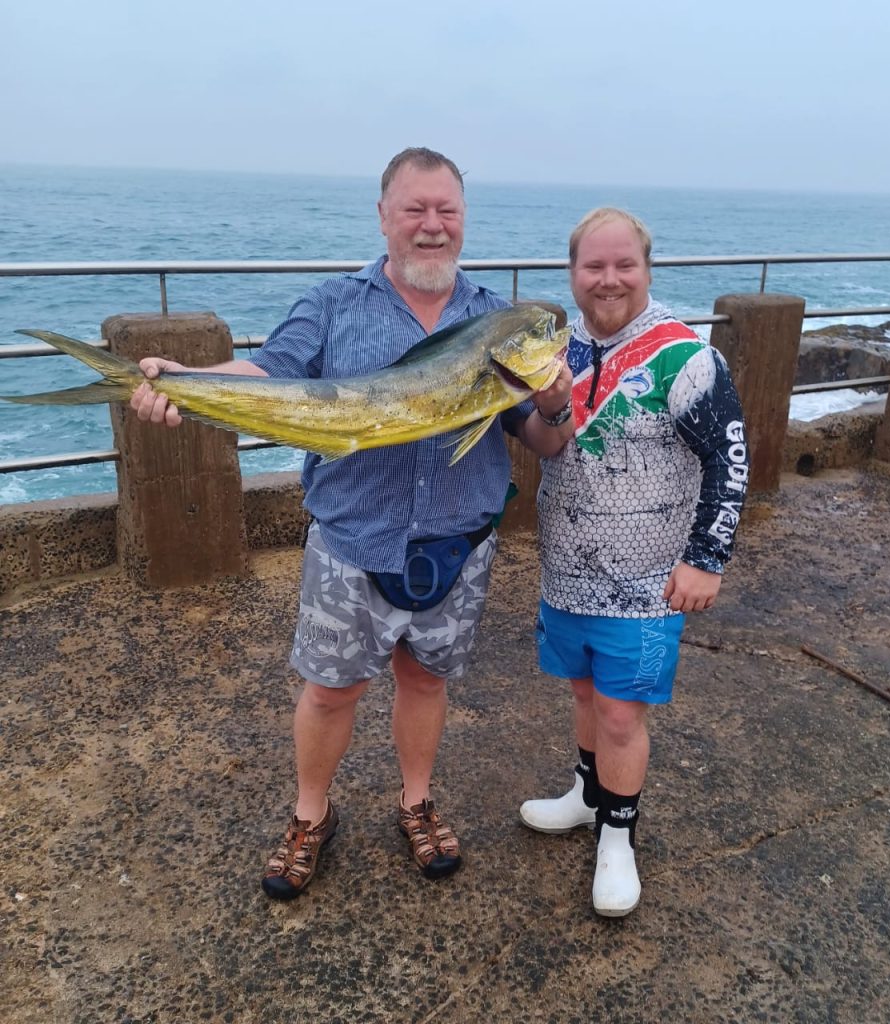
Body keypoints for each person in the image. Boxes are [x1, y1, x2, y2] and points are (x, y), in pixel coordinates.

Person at [130, 146, 575, 899]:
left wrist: (556, 402)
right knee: (330, 690)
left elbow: (542, 438)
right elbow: (271, 371)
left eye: (447, 212)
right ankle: (311, 815)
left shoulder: (495, 319)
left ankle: (416, 801)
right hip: (351, 542)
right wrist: (185, 383)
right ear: (384, 216)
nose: (432, 227)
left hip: (458, 546)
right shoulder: (336, 302)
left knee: (425, 683)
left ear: (464, 221)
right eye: (415, 210)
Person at [518, 207, 748, 917]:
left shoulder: (687, 357)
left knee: (622, 715)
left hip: (647, 585)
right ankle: (589, 796)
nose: (608, 279)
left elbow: (731, 458)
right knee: (585, 695)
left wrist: (707, 557)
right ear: (573, 274)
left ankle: (619, 836)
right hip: (567, 572)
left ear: (648, 269)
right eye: (594, 266)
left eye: (625, 265)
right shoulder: (556, 353)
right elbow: (544, 440)